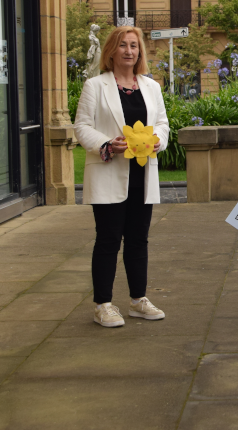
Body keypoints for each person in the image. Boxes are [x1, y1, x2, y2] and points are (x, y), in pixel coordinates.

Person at [74, 26, 170, 328]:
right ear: (112, 51)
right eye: (123, 46)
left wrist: (158, 140)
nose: (130, 51)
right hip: (108, 171)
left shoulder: (151, 87)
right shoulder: (95, 86)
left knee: (138, 240)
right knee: (108, 240)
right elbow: (82, 127)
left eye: (134, 46)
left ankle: (138, 300)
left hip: (142, 174)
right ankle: (103, 304)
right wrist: (106, 144)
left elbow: (163, 124)